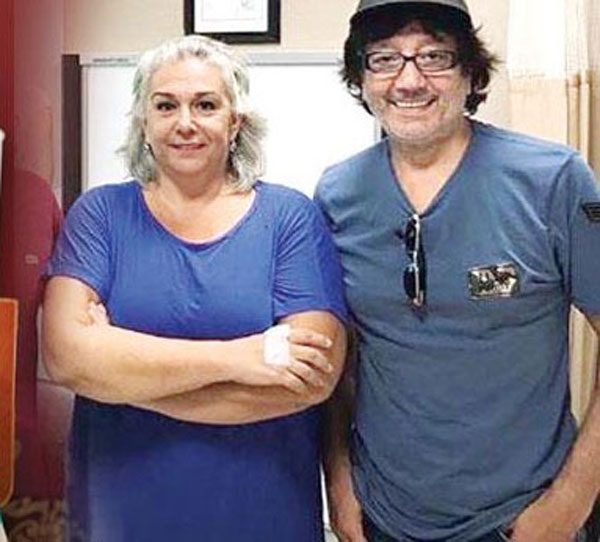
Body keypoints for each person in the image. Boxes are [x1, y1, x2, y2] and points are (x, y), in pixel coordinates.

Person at [42, 35, 347, 542]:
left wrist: (121, 378)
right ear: (144, 122)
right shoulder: (99, 215)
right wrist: (241, 357)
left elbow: (312, 379)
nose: (185, 122)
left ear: (235, 122)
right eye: (166, 106)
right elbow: (66, 358)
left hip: (263, 514)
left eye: (206, 105)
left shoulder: (289, 218)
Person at [315, 1, 600, 541]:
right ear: (361, 77)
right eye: (384, 59)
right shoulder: (337, 194)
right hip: (383, 519)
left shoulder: (556, 180)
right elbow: (338, 358)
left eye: (434, 56)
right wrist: (340, 483)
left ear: (470, 70)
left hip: (523, 520)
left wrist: (571, 501)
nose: (409, 81)